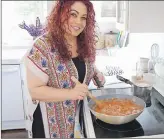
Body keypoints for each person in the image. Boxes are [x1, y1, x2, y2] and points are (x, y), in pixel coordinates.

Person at [23, 0, 105, 138]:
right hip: (49, 126)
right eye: (73, 14)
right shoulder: (42, 47)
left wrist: (95, 72)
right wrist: (71, 93)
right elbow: (34, 91)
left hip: (76, 122)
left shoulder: (83, 42)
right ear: (60, 14)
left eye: (83, 17)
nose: (78, 22)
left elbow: (81, 64)